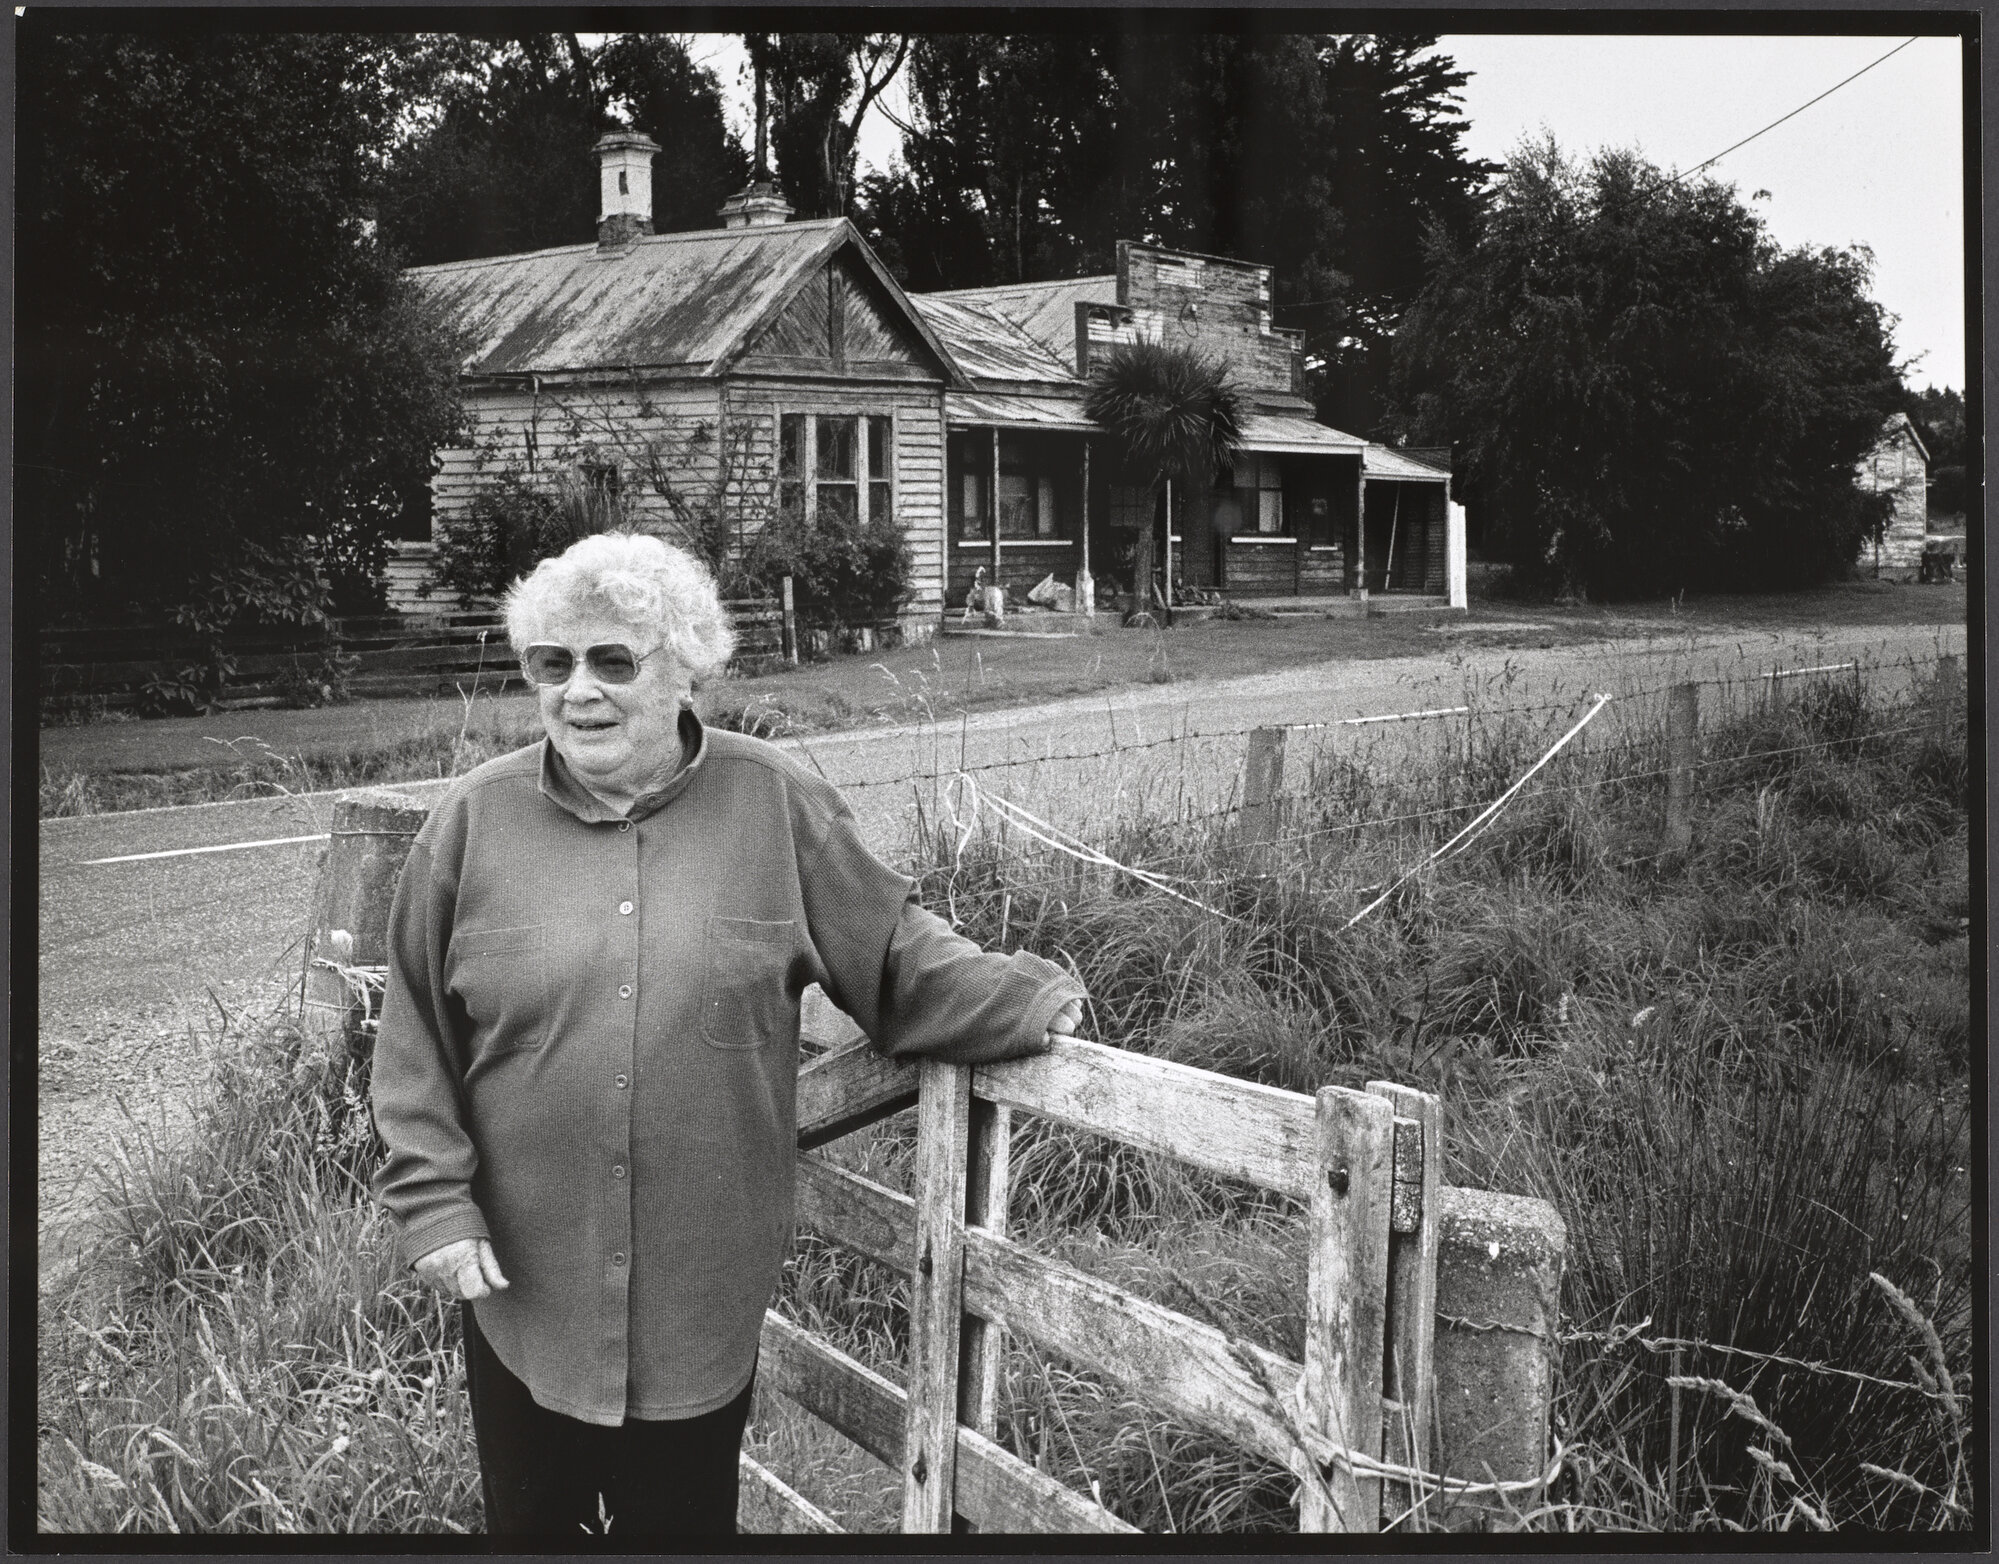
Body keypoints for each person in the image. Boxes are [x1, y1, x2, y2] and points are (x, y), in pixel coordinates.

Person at [371, 531, 1086, 1540]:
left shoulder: (773, 800)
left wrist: (1026, 999)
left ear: (686, 670)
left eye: (613, 660)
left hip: (697, 1288)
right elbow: (414, 1041)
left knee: (683, 1527)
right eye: (552, 663)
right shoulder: (470, 822)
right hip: (521, 1286)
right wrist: (435, 1206)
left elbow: (890, 956)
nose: (580, 690)